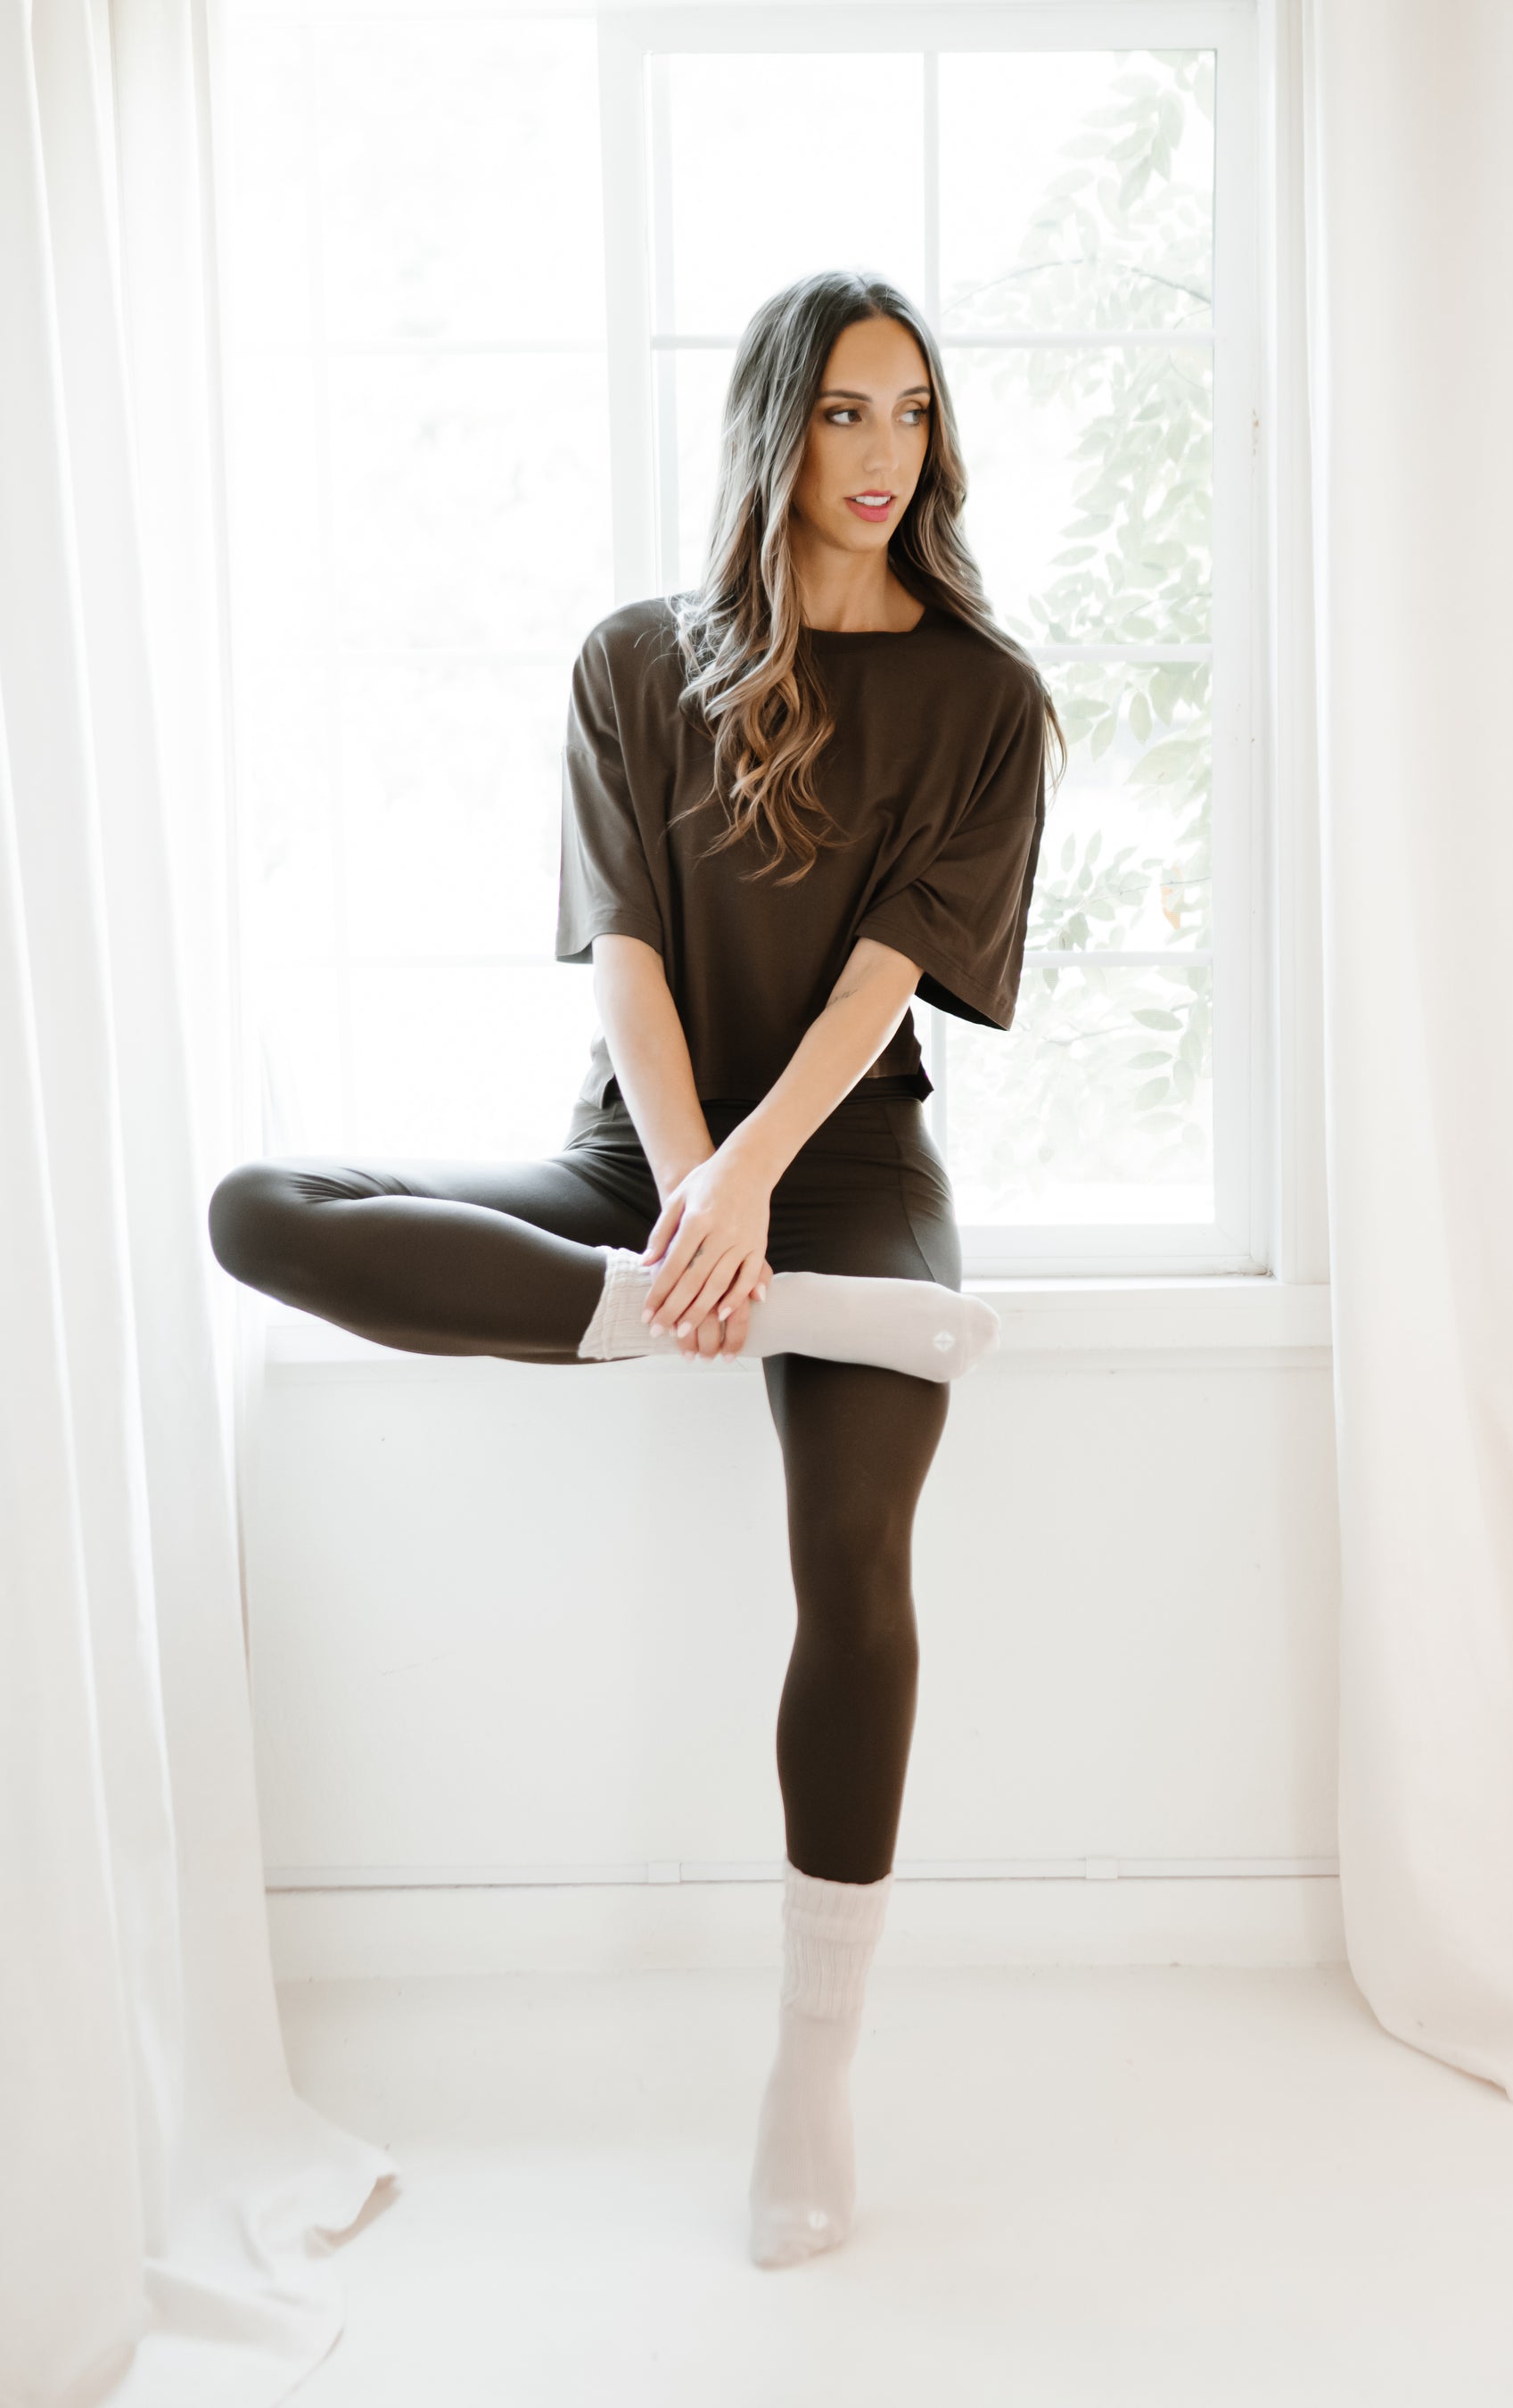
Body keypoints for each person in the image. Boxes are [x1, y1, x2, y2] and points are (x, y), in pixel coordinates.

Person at [208, 267, 1062, 2270]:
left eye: (913, 415)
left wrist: (753, 1191)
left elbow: (878, 993)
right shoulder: (629, 665)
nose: (882, 455)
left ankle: (812, 2070)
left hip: (845, 1177)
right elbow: (631, 967)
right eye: (847, 414)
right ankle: (625, 1311)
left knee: (856, 1577)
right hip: (645, 1163)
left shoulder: (986, 698)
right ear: (776, 427)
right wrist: (685, 1211)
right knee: (259, 1205)